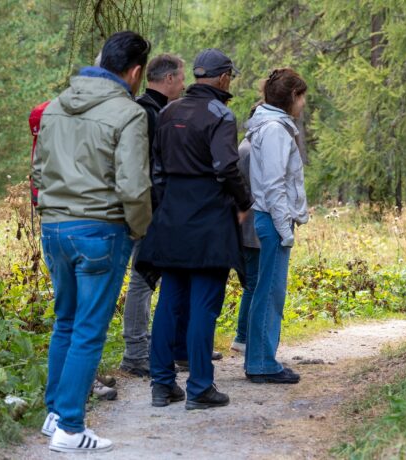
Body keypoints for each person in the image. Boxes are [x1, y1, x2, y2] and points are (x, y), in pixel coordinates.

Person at [32, 31, 151, 453]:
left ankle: (54, 415)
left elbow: (39, 169)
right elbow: (134, 187)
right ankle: (69, 427)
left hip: (55, 228)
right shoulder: (129, 113)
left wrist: (50, 212)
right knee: (88, 329)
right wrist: (137, 228)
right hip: (101, 230)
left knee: (65, 321)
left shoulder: (56, 105)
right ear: (135, 72)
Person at [136, 48, 252, 410]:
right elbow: (225, 167)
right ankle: (201, 387)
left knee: (170, 299)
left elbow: (156, 170)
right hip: (209, 218)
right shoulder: (221, 114)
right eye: (229, 76)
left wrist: (163, 208)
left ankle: (162, 384)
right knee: (204, 302)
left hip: (171, 217)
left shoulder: (168, 111)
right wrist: (244, 203)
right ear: (221, 78)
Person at [119, 53, 189, 378]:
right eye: (182, 77)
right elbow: (145, 165)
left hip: (155, 207)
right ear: (170, 78)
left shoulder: (157, 110)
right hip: (148, 209)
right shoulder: (147, 113)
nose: (185, 83)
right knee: (142, 279)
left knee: (154, 277)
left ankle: (160, 346)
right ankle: (135, 352)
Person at [244, 68, 308, 384]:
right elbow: (274, 185)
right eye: (302, 97)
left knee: (267, 291)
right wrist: (285, 230)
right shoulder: (274, 130)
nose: (304, 104)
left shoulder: (275, 127)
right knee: (270, 292)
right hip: (272, 220)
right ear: (292, 97)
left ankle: (260, 359)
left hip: (271, 219)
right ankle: (261, 363)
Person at [230, 107, 262, 355]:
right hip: (250, 229)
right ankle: (243, 336)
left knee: (251, 283)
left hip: (247, 228)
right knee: (253, 284)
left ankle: (245, 335)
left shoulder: (245, 147)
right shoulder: (250, 150)